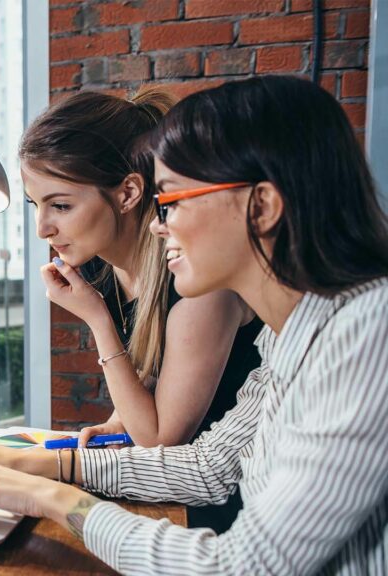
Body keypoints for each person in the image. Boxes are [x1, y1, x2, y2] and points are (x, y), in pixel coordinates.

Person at [0, 75, 388, 574]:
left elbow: (240, 567)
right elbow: (208, 467)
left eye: (174, 201)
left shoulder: (364, 337)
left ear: (263, 206)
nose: (160, 225)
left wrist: (60, 501)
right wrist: (44, 469)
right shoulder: (285, 337)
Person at [19, 88, 262, 532]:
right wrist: (117, 424)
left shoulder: (200, 280)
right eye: (35, 205)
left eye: (61, 205)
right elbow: (152, 383)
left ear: (129, 192)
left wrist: (97, 319)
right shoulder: (100, 266)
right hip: (171, 490)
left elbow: (159, 439)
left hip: (220, 512)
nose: (42, 228)